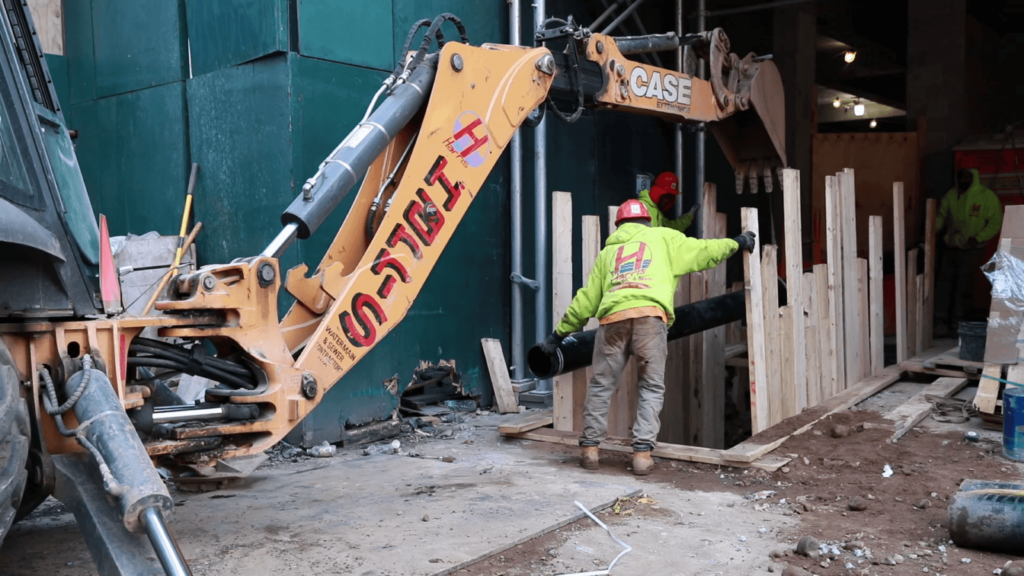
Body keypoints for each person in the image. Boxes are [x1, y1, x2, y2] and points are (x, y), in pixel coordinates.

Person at [540, 199, 754, 475]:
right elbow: (705, 251)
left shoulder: (609, 253)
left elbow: (586, 300)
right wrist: (737, 242)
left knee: (601, 385)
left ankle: (590, 451)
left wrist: (557, 336)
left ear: (619, 225)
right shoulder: (663, 238)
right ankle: (642, 456)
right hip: (649, 320)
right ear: (647, 221)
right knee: (651, 387)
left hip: (612, 323)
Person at [934, 167, 1003, 336]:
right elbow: (941, 217)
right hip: (951, 248)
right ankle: (941, 322)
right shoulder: (951, 195)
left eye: (966, 176)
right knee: (944, 285)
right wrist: (931, 232)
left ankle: (959, 323)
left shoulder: (986, 197)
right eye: (960, 176)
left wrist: (979, 238)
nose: (963, 179)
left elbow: (995, 222)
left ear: (974, 177)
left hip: (973, 250)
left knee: (964, 286)